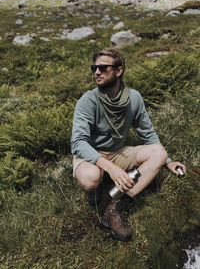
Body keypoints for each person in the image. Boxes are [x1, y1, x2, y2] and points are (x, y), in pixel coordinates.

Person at [71, 47, 186, 242]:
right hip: (90, 154)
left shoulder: (134, 98)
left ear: (119, 70)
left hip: (117, 152)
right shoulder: (88, 101)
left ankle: (117, 207)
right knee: (91, 178)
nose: (97, 72)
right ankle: (95, 190)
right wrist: (111, 168)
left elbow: (147, 133)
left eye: (103, 68)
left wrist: (168, 161)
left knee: (158, 152)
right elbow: (78, 142)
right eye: (94, 68)